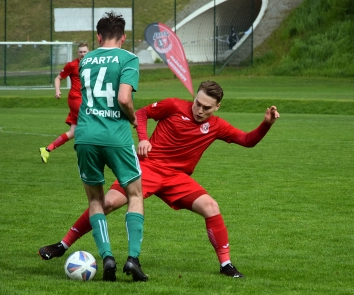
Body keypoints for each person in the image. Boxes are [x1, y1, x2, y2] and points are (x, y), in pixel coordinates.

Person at [39, 80, 280, 278]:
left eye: (207, 107)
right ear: (194, 97)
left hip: (177, 178)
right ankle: (62, 245)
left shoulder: (217, 126)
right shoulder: (174, 105)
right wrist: (143, 138)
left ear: (217, 107)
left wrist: (266, 124)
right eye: (198, 103)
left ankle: (226, 265)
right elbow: (142, 113)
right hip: (148, 168)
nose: (199, 110)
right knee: (108, 203)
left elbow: (248, 141)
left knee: (211, 207)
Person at [74, 11, 146, 282]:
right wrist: (133, 120)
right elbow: (124, 98)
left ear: (98, 37)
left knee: (95, 200)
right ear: (124, 37)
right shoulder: (128, 58)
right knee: (135, 194)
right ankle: (133, 259)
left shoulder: (86, 60)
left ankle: (106, 257)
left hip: (85, 136)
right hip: (115, 135)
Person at [39, 43, 89, 163]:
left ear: (89, 52)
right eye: (80, 52)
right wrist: (57, 91)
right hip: (76, 99)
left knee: (73, 132)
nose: (82, 54)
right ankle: (87, 152)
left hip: (86, 99)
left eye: (84, 52)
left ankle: (47, 149)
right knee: (92, 122)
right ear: (77, 53)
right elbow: (58, 78)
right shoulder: (72, 65)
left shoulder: (92, 64)